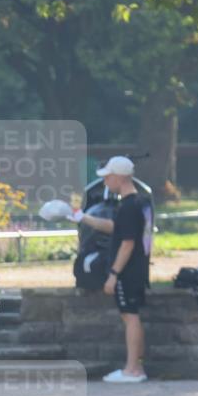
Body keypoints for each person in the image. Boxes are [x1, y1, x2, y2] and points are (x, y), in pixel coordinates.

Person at [69, 156, 150, 383]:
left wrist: (113, 275)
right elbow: (115, 228)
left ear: (118, 177)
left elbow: (127, 242)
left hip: (128, 272)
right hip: (133, 270)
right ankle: (134, 367)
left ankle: (133, 369)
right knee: (130, 316)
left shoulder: (129, 206)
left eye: (107, 177)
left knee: (130, 317)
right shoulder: (131, 204)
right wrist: (83, 217)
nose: (105, 182)